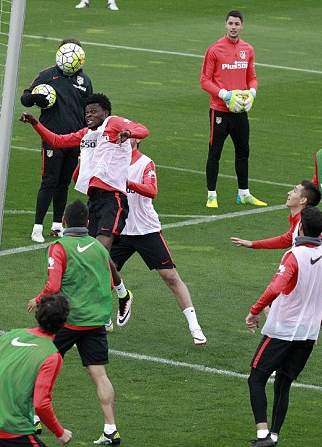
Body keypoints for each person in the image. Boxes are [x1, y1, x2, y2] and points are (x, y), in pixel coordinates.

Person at [21, 93, 149, 329]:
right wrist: (36, 124)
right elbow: (58, 140)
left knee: (97, 254)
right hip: (94, 201)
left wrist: (129, 134)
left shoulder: (115, 124)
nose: (88, 115)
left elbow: (143, 129)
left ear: (105, 112)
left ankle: (118, 297)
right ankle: (118, 297)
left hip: (114, 199)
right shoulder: (86, 135)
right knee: (94, 257)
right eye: (87, 112)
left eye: (93, 111)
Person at [28, 200, 121, 446]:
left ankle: (35, 418)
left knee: (40, 365)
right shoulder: (99, 247)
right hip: (96, 321)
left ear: (65, 223)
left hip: (68, 322)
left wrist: (37, 300)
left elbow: (53, 287)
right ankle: (111, 429)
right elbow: (109, 284)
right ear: (88, 223)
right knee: (99, 375)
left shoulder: (59, 247)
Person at [244, 206, 322, 447]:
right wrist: (316, 323)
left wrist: (255, 311)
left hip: (283, 330)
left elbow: (276, 288)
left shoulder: (294, 255)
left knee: (256, 377)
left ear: (300, 227)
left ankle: (262, 435)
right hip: (307, 334)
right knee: (284, 382)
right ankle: (273, 436)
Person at [110, 140, 207, 345]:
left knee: (170, 276)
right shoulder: (112, 160)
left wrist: (127, 183)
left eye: (130, 137)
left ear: (138, 140)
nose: (126, 140)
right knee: (102, 275)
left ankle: (194, 326)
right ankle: (107, 312)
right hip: (121, 229)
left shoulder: (146, 163)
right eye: (123, 137)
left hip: (146, 230)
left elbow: (152, 190)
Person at [0, 294, 72, 447]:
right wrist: (60, 432)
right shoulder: (51, 356)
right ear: (63, 323)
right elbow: (41, 403)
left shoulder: (10, 336)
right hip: (13, 432)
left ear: (38, 315)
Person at [21, 39, 93, 243]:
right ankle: (37, 227)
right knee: (50, 181)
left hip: (74, 140)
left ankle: (57, 226)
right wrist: (36, 98)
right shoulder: (47, 75)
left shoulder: (84, 81)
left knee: (63, 183)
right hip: (51, 137)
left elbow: (88, 110)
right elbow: (25, 97)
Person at [200, 10, 265, 209]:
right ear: (225, 25)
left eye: (237, 24)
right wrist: (224, 95)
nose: (234, 27)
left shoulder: (248, 49)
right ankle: (211, 194)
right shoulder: (214, 49)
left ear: (242, 26)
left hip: (240, 112)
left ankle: (243, 193)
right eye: (231, 23)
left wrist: (252, 93)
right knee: (215, 153)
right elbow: (204, 81)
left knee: (243, 151)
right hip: (220, 111)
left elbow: (251, 77)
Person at [231, 180, 322, 252]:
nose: (289, 193)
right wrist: (253, 244)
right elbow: (287, 239)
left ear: (303, 200)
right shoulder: (302, 220)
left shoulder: (306, 224)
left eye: (295, 191)